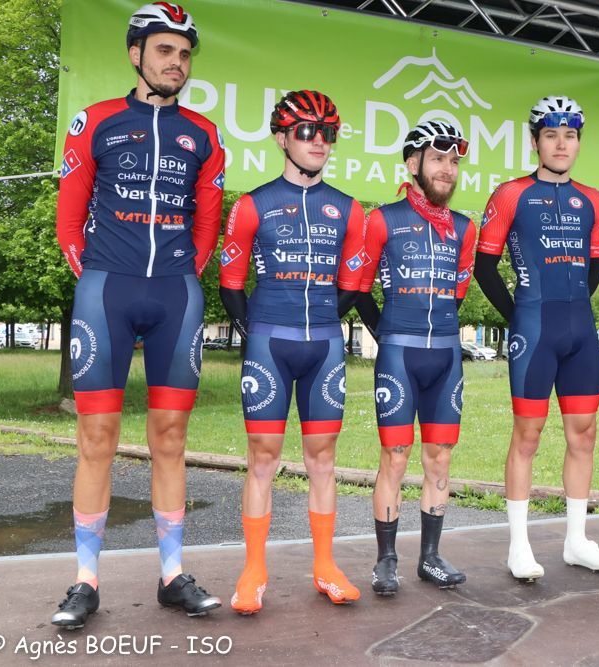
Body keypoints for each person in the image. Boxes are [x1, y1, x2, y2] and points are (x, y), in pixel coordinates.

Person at [52, 2, 224, 629]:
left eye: (184, 54)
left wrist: (182, 276)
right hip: (107, 291)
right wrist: (99, 275)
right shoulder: (95, 121)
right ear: (136, 54)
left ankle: (173, 576)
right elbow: (69, 221)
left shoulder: (204, 134)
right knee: (96, 438)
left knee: (170, 438)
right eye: (164, 50)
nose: (176, 63)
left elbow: (207, 225)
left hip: (176, 295)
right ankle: (85, 581)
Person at [218, 90, 367, 614]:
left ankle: (325, 566)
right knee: (263, 458)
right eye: (307, 131)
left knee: (323, 459)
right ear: (282, 138)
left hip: (324, 345)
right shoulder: (251, 204)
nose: (319, 141)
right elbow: (230, 283)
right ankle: (253, 571)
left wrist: (322, 319)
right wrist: (256, 331)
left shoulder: (349, 209)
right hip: (269, 344)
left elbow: (353, 283)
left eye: (328, 133)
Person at [475, 96, 599, 580]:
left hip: (580, 332)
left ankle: (577, 542)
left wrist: (575, 304)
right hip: (534, 329)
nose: (562, 144)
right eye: (552, 135)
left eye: (570, 135)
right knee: (528, 435)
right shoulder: (510, 194)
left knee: (585, 434)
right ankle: (518, 547)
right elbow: (484, 266)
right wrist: (519, 315)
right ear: (535, 141)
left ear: (578, 142)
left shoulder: (594, 199)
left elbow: (597, 263)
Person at [355, 121, 476, 595]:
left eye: (454, 161)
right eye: (438, 159)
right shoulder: (382, 220)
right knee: (395, 456)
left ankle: (430, 557)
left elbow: (458, 292)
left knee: (440, 459)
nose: (448, 169)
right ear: (413, 163)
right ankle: (386, 561)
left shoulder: (464, 228)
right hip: (399, 355)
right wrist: (387, 333)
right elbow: (359, 288)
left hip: (445, 355)